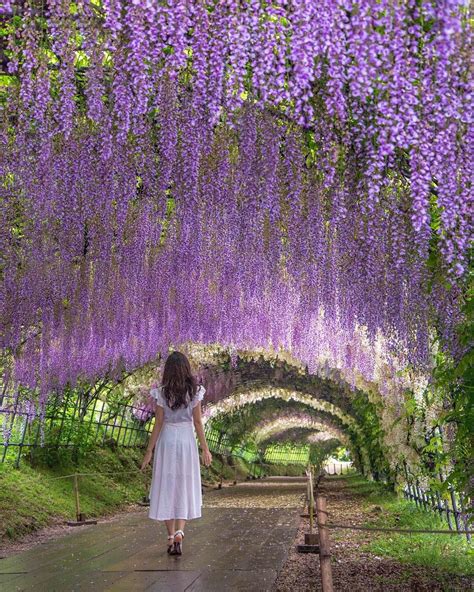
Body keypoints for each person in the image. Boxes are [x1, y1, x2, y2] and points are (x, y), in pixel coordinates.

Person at [140, 351, 212, 556]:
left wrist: (149, 451)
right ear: (186, 369)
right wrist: (205, 449)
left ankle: (171, 536)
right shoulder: (195, 391)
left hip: (167, 440)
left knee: (166, 484)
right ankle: (180, 531)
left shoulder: (162, 392)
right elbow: (198, 422)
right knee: (183, 484)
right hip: (187, 440)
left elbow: (159, 422)